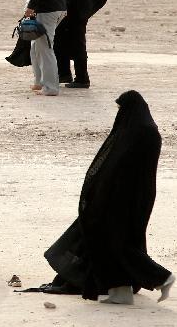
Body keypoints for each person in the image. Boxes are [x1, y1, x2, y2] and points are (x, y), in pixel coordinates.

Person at [40, 91, 174, 304]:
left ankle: (161, 278)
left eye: (121, 109)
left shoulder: (134, 133)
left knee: (115, 243)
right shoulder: (148, 131)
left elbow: (112, 170)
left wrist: (96, 196)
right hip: (138, 200)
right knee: (117, 243)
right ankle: (120, 292)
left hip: (118, 201)